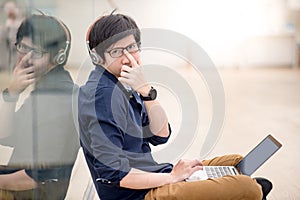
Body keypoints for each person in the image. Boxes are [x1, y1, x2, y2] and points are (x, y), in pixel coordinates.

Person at [78, 12, 272, 200]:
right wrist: (172, 178)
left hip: (155, 176)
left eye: (132, 47)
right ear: (98, 57)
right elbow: (113, 175)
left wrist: (147, 92)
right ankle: (247, 190)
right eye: (116, 51)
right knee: (247, 187)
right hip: (139, 194)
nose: (128, 58)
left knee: (236, 162)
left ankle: (238, 188)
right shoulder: (100, 96)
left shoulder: (126, 83)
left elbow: (161, 135)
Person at [0, 14, 79, 199]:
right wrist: (11, 94)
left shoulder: (57, 99)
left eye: (36, 52)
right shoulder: (45, 88)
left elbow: (39, 178)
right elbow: (6, 136)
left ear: (59, 57)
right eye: (23, 47)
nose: (25, 58)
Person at [0, 0, 23, 72]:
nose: (11, 11)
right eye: (8, 8)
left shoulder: (23, 24)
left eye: (12, 8)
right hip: (5, 65)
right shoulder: (4, 27)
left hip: (19, 62)